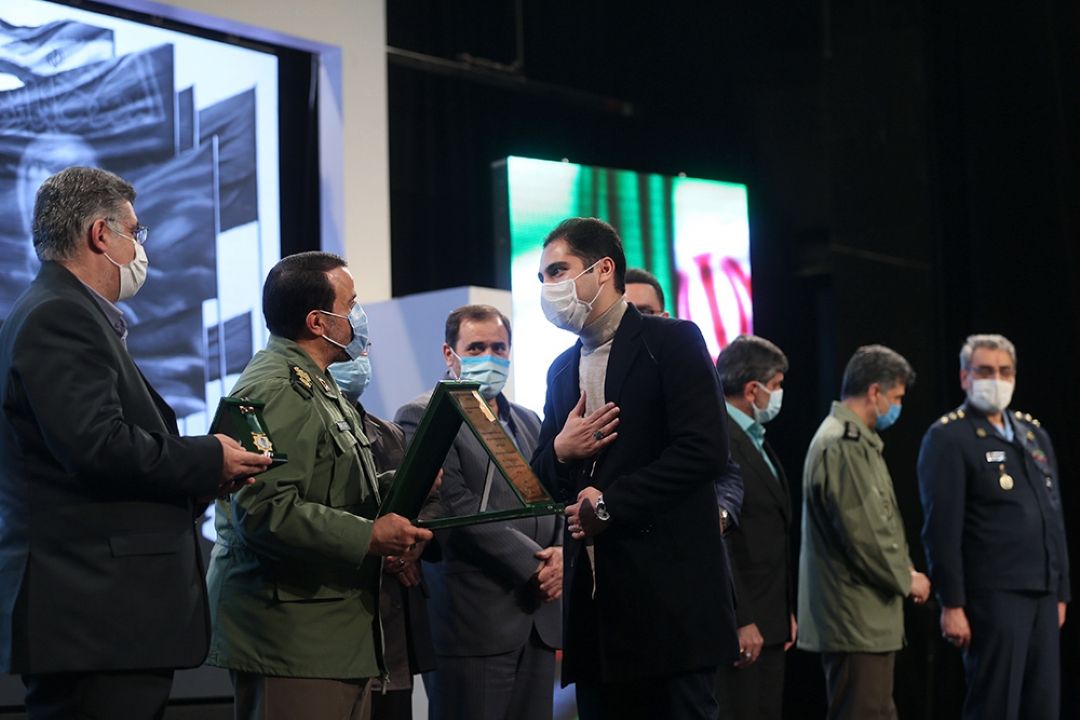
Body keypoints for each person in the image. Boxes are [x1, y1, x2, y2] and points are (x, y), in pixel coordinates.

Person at [0, 166, 272, 719]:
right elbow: (98, 447)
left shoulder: (62, 310)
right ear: (101, 234)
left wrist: (208, 474)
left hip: (101, 618)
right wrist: (208, 457)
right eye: (136, 232)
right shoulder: (59, 315)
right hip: (94, 615)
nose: (141, 248)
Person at [205, 251, 432, 720]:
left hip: (327, 635)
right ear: (317, 322)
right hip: (290, 639)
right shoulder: (275, 388)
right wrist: (369, 536)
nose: (358, 316)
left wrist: (407, 483)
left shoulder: (318, 384)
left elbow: (331, 484)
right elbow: (263, 511)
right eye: (351, 305)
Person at [531, 218, 738, 719]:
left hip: (671, 605)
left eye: (558, 271)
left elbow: (704, 449)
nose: (548, 287)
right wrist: (560, 450)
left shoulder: (672, 341)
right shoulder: (560, 370)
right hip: (597, 614)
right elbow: (540, 482)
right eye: (542, 277)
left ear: (603, 269)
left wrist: (611, 503)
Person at [394, 304, 561, 720]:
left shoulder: (529, 419)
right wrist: (535, 565)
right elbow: (452, 506)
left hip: (538, 619)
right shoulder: (424, 413)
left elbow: (553, 496)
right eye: (476, 347)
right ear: (449, 354)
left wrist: (561, 556)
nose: (490, 356)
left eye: (499, 348)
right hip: (474, 621)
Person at [917, 334, 1069, 720]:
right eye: (985, 371)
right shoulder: (949, 436)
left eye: (1004, 371)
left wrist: (1061, 590)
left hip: (1042, 592)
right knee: (995, 705)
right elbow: (941, 530)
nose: (996, 380)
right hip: (993, 597)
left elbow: (1052, 516)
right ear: (964, 376)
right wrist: (952, 603)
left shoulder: (1032, 433)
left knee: (1043, 705)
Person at [797, 344, 930, 720]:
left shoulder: (854, 440)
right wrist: (907, 578)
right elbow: (866, 535)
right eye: (897, 397)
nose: (898, 406)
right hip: (854, 618)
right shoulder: (844, 445)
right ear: (874, 391)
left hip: (864, 618)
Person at [329, 351, 436, 720]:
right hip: (339, 619)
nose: (359, 360)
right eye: (349, 352)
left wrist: (410, 544)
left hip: (393, 626)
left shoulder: (389, 433)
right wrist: (374, 542)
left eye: (363, 351)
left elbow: (430, 502)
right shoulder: (312, 429)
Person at [713, 335, 796, 720]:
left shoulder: (755, 438)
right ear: (752, 390)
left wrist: (784, 610)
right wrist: (740, 617)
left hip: (771, 619)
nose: (778, 395)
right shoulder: (719, 439)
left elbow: (771, 530)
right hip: (743, 626)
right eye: (776, 386)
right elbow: (721, 537)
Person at [624, 267, 742, 529]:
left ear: (664, 317)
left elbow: (725, 469)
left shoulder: (690, 384)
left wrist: (721, 515)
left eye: (645, 312)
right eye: (626, 314)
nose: (637, 322)